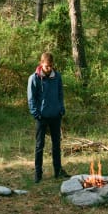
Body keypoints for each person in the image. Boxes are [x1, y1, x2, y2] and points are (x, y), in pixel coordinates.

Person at [27, 52, 70, 183]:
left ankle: (58, 171)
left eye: (51, 66)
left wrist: (61, 109)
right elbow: (31, 98)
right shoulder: (33, 78)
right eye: (46, 66)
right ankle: (38, 174)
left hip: (56, 116)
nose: (49, 68)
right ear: (41, 64)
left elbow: (60, 93)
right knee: (40, 146)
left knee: (56, 145)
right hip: (41, 117)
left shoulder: (57, 77)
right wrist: (36, 114)